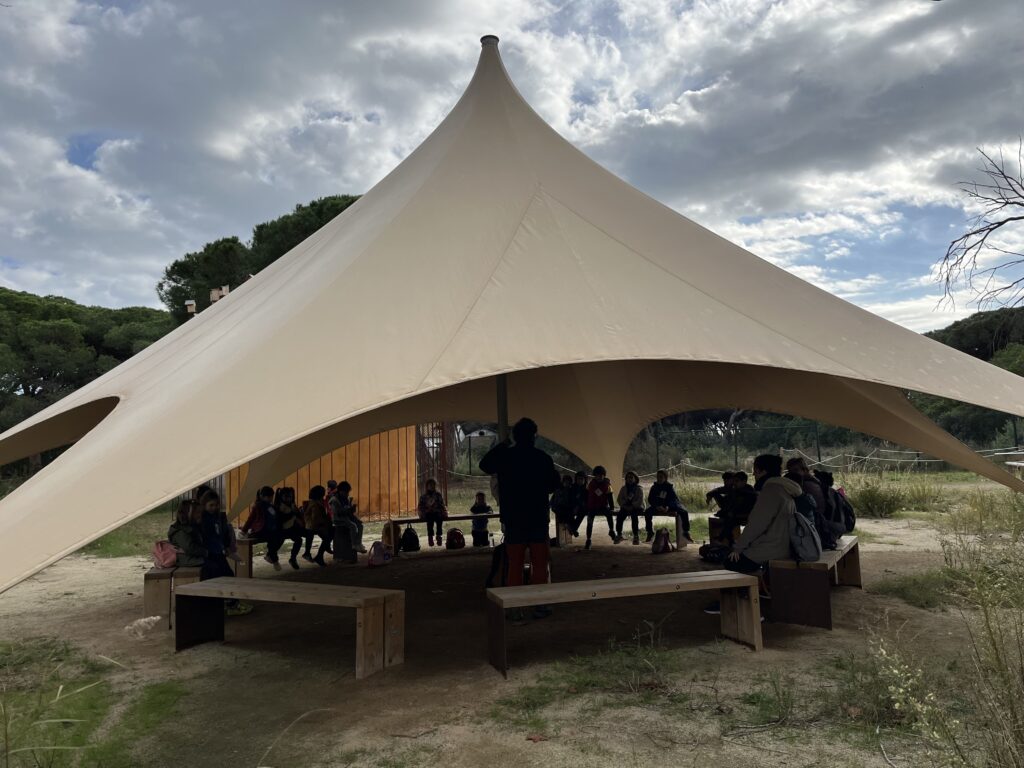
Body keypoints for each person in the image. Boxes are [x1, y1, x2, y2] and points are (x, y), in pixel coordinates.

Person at [479, 417, 560, 618]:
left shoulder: (506, 457)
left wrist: (504, 444)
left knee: (514, 564)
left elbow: (484, 464)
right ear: (534, 436)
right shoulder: (543, 458)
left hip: (514, 519)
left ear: (515, 436)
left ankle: (514, 607)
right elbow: (553, 486)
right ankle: (540, 605)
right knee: (539, 563)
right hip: (537, 518)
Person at [198, 490, 251, 615]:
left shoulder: (218, 517)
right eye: (211, 505)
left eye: (216, 505)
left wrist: (226, 546)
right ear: (204, 505)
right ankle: (228, 605)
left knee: (229, 576)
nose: (214, 507)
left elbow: (222, 534)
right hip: (210, 555)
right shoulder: (203, 520)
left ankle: (231, 603)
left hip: (219, 553)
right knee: (219, 578)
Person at [646, 470, 693, 544]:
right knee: (647, 512)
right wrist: (657, 506)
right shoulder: (654, 487)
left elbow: (674, 499)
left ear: (665, 478)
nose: (659, 479)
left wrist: (668, 507)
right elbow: (650, 499)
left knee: (684, 512)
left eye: (661, 477)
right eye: (658, 477)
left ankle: (686, 531)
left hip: (669, 507)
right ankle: (650, 532)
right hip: (657, 507)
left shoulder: (669, 487)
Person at [241, 486, 282, 570]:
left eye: (271, 496)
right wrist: (244, 530)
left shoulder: (271, 506)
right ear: (262, 496)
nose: (271, 498)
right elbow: (250, 519)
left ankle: (270, 556)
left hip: (271, 530)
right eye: (269, 497)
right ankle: (274, 560)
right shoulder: (258, 506)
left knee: (280, 537)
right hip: (261, 530)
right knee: (273, 538)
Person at [578, 466, 617, 549]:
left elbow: (610, 497)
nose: (600, 477)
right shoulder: (590, 485)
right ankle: (588, 540)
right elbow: (586, 496)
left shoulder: (607, 485)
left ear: (604, 476)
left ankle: (611, 530)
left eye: (602, 475)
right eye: (598, 475)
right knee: (589, 522)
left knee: (609, 514)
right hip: (592, 507)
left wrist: (612, 508)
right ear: (595, 476)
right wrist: (586, 506)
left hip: (603, 506)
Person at [331, 481, 367, 555]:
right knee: (353, 526)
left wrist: (353, 513)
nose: (347, 494)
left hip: (346, 517)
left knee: (360, 525)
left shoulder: (345, 498)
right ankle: (354, 544)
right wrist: (348, 510)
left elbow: (348, 511)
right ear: (341, 491)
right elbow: (338, 513)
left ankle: (358, 543)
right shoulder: (334, 500)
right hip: (338, 519)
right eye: (346, 492)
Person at [273, 487, 305, 569]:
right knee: (279, 542)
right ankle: (272, 556)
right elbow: (280, 521)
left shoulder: (291, 505)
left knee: (299, 540)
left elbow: (298, 517)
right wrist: (292, 514)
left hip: (290, 529)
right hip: (281, 530)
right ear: (281, 497)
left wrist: (296, 512)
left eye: (290, 497)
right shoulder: (279, 506)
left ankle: (293, 559)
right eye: (286, 496)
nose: (288, 499)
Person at [168, 500, 206, 567]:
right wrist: (206, 552)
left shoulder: (193, 527)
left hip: (195, 558)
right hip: (188, 560)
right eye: (197, 512)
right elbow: (190, 548)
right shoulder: (180, 531)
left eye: (201, 512)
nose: (200, 515)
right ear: (187, 514)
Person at [301, 485, 333, 566]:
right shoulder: (315, 504)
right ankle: (320, 555)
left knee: (327, 536)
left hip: (312, 526)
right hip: (314, 526)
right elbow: (316, 518)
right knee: (327, 537)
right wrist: (324, 524)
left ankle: (319, 554)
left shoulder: (313, 502)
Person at [616, 471, 646, 545]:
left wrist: (632, 506)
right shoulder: (623, 488)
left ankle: (636, 536)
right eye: (628, 478)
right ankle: (619, 535)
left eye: (631, 477)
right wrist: (625, 506)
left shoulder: (639, 489)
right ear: (626, 479)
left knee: (634, 516)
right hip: (625, 507)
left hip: (637, 507)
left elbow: (640, 500)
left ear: (635, 479)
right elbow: (619, 499)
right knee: (619, 516)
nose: (629, 479)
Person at [417, 478, 447, 547]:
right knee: (430, 520)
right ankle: (430, 536)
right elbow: (420, 506)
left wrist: (443, 511)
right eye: (430, 485)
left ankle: (439, 535)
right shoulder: (423, 496)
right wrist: (424, 511)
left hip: (437, 512)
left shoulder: (438, 495)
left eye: (433, 485)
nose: (431, 486)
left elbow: (442, 504)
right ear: (427, 486)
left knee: (439, 519)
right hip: (428, 513)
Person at [549, 474, 576, 545]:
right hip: (558, 507)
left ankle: (569, 526)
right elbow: (555, 501)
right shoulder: (559, 490)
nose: (567, 484)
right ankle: (569, 526)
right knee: (564, 513)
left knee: (569, 514)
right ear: (563, 482)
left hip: (564, 508)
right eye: (566, 482)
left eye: (568, 483)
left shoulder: (570, 490)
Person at [569, 471, 588, 536]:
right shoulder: (573, 488)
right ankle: (574, 529)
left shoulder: (586, 489)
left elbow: (585, 500)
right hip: (573, 506)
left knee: (582, 513)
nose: (580, 481)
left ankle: (574, 529)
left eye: (582, 479)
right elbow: (572, 498)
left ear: (585, 480)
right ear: (576, 479)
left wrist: (578, 506)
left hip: (582, 507)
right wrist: (575, 506)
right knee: (569, 512)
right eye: (578, 479)